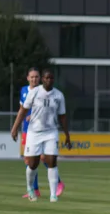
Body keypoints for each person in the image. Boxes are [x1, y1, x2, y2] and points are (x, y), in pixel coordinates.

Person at [11, 69, 71, 202]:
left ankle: (53, 195)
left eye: (51, 78)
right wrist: (15, 128)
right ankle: (30, 188)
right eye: (46, 78)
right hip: (34, 133)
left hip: (51, 133)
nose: (48, 80)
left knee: (51, 161)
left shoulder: (59, 95)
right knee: (32, 164)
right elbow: (23, 110)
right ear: (42, 80)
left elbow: (62, 117)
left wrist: (67, 135)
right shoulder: (34, 92)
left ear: (53, 80)